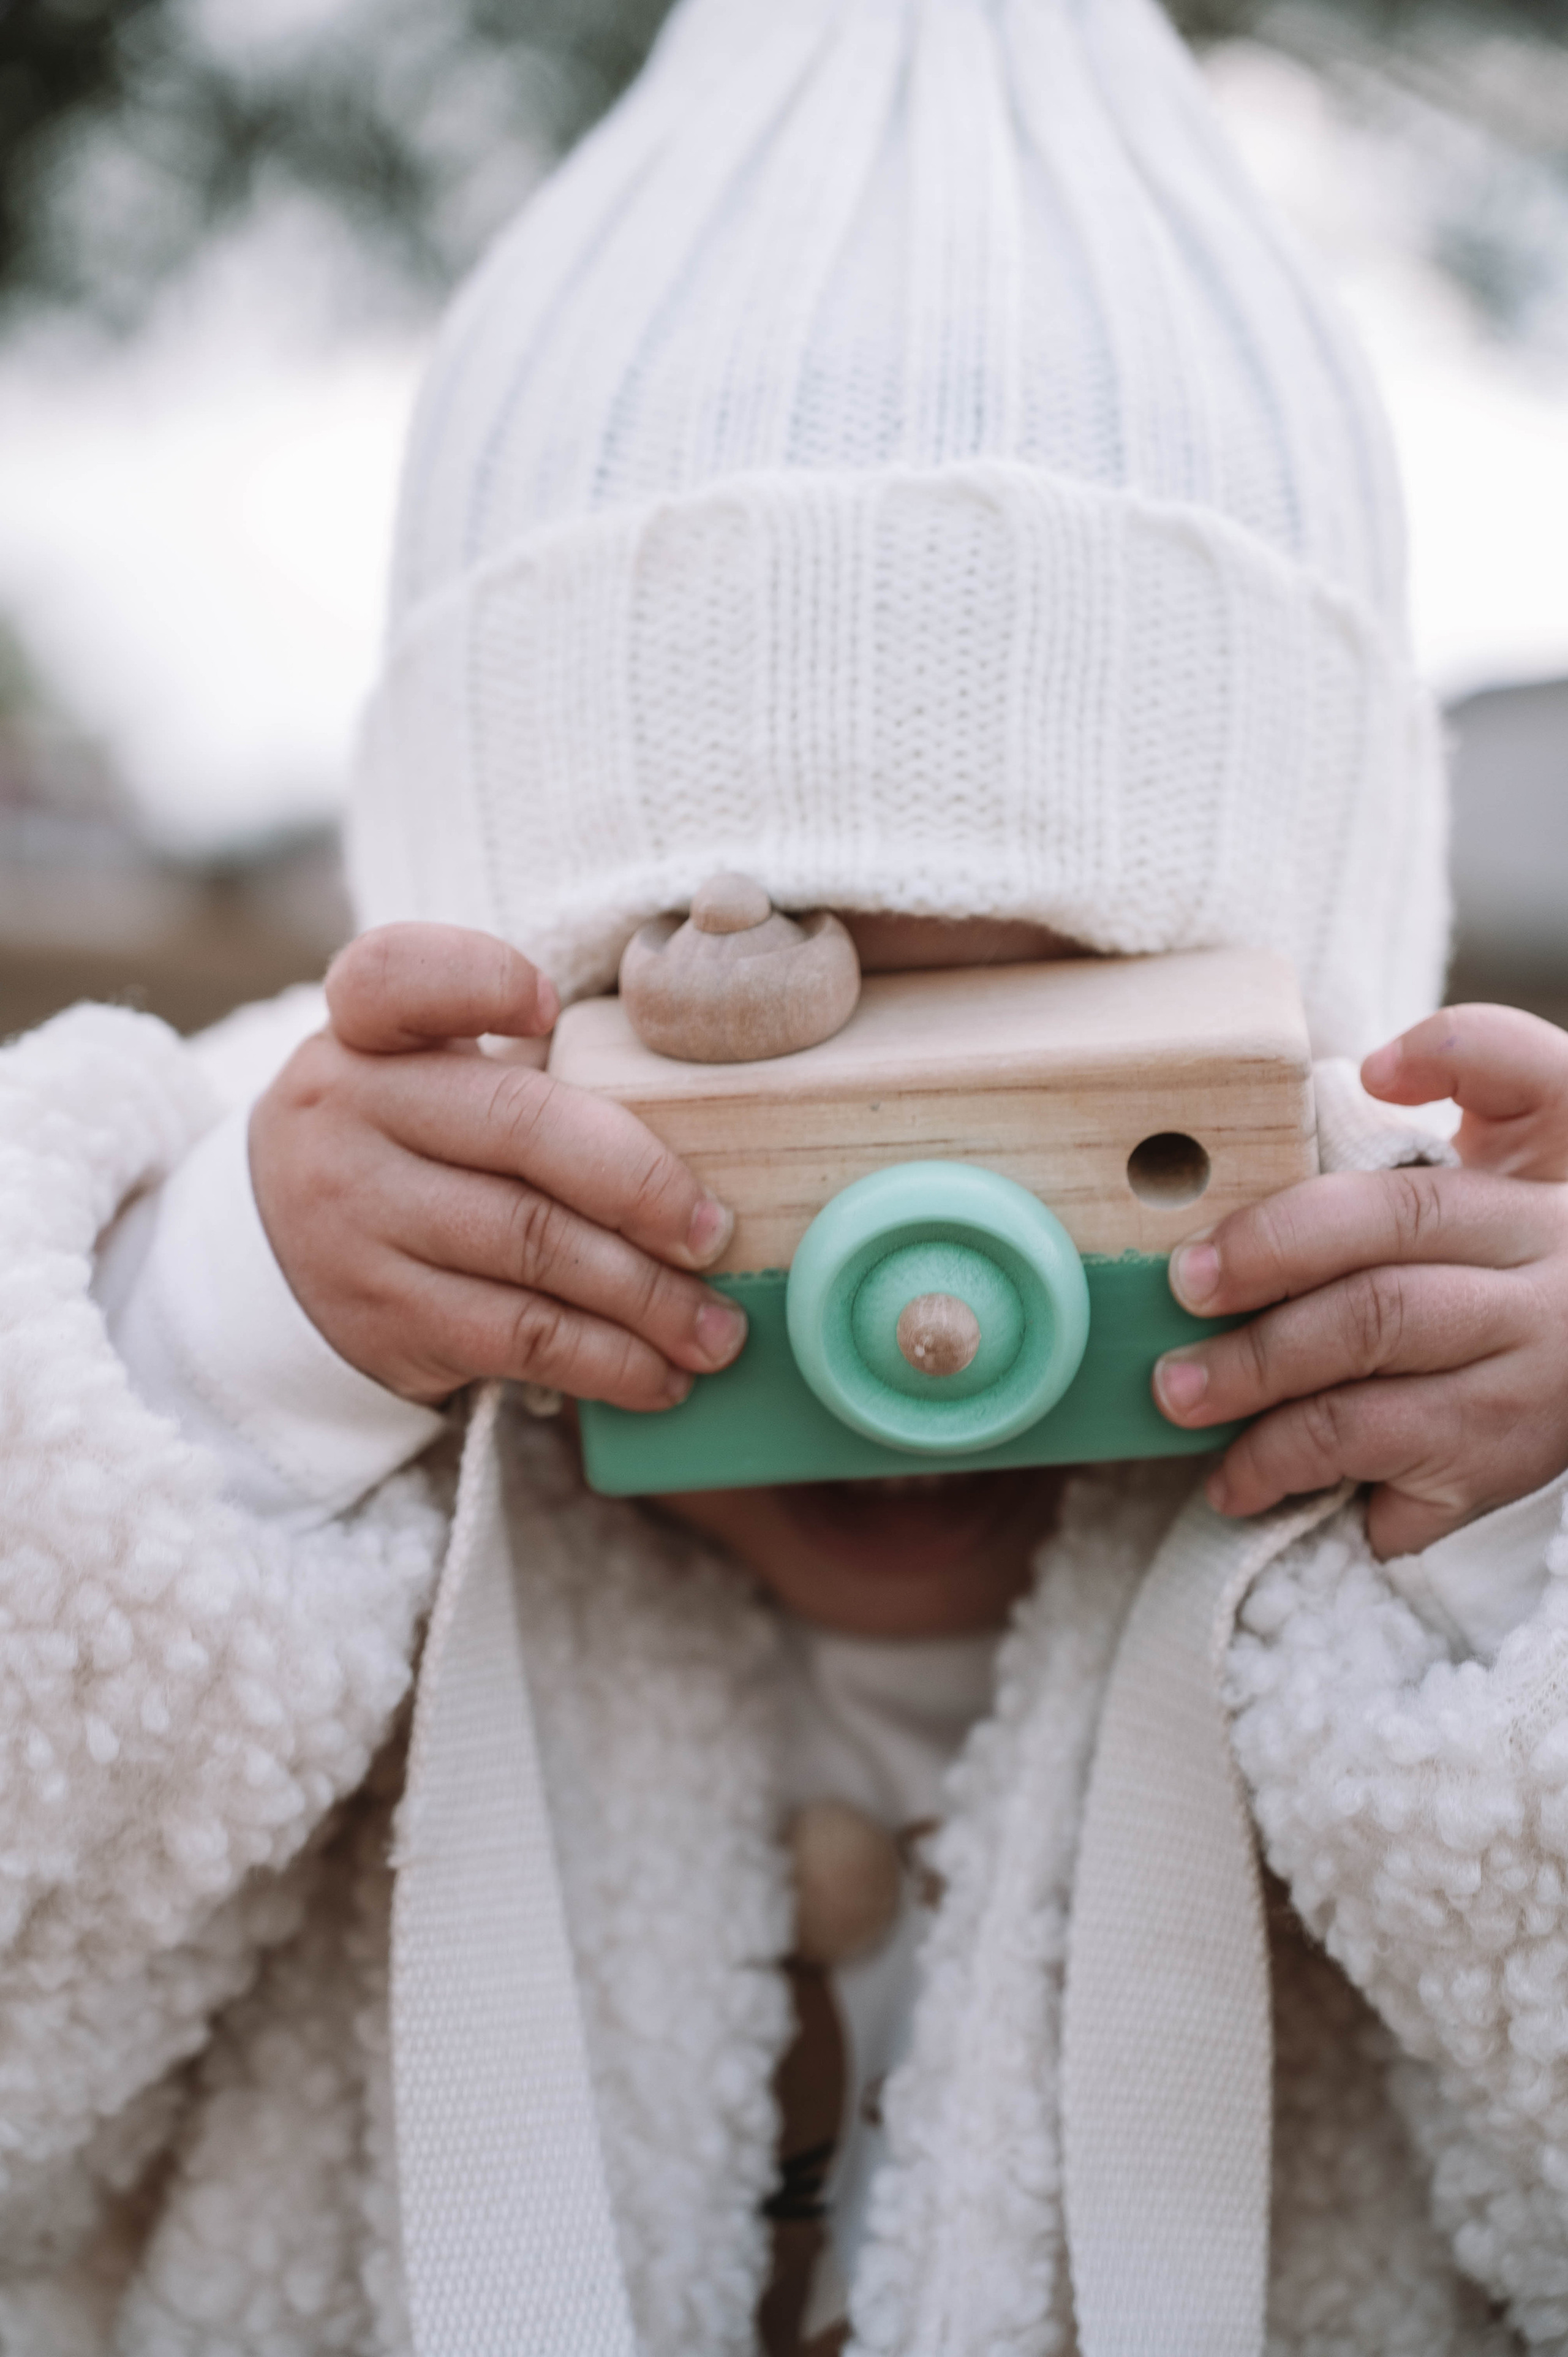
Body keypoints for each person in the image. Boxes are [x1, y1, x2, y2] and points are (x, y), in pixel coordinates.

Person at [4, 0, 1568, 2348]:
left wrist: (1526, 1575)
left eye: (1071, 1084)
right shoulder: (303, 1535)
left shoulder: (1403, 1580)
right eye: (751, 1109)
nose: (921, 1309)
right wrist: (215, 1382)